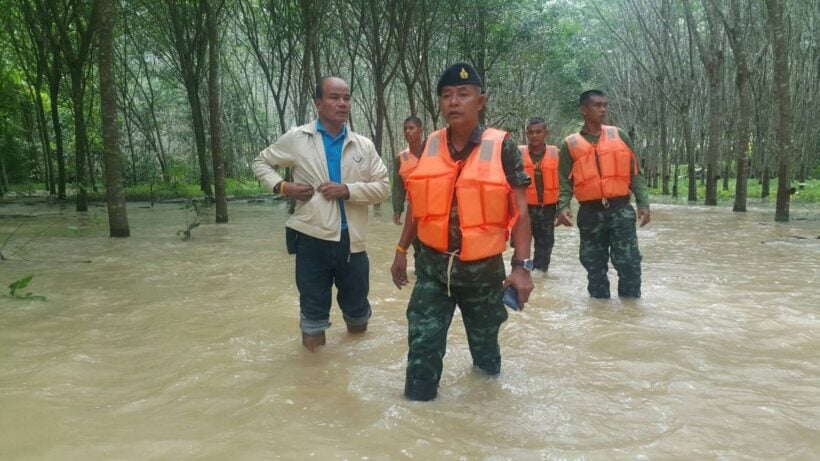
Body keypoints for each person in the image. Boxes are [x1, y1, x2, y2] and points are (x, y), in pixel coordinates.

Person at [390, 62, 535, 401]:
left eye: (463, 94)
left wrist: (522, 267)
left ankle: (484, 423)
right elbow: (418, 203)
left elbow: (522, 213)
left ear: (480, 102)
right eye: (446, 96)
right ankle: (417, 425)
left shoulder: (503, 147)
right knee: (421, 354)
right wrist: (400, 251)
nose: (454, 102)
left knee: (486, 360)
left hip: (483, 274)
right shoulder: (428, 145)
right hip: (432, 271)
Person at [253, 76, 390, 351]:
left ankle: (353, 369)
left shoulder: (363, 145)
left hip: (353, 243)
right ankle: (314, 380)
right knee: (313, 317)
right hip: (311, 239)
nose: (342, 103)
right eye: (334, 97)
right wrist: (282, 186)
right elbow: (260, 162)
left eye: (346, 98)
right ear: (318, 103)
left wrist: (348, 190)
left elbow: (384, 187)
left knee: (358, 314)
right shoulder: (298, 138)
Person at [554, 89, 651, 298]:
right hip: (590, 214)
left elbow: (634, 172)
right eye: (597, 105)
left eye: (605, 105)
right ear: (584, 110)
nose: (603, 109)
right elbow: (564, 182)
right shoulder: (569, 144)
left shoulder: (619, 135)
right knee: (594, 267)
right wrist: (563, 207)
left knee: (629, 263)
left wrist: (643, 202)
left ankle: (630, 312)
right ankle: (600, 312)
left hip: (621, 210)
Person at [513, 117, 560, 273]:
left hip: (548, 209)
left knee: (545, 246)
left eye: (538, 132)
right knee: (519, 245)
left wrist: (562, 208)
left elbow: (565, 183)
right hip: (523, 208)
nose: (534, 135)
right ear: (526, 134)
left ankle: (540, 279)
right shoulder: (517, 154)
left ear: (546, 133)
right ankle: (519, 274)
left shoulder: (556, 154)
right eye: (531, 132)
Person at [391, 116, 425, 256]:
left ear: (421, 130)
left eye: (411, 128)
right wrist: (398, 209)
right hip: (413, 211)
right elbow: (398, 187)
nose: (407, 131)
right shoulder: (400, 159)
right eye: (405, 129)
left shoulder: (432, 153)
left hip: (434, 209)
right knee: (417, 248)